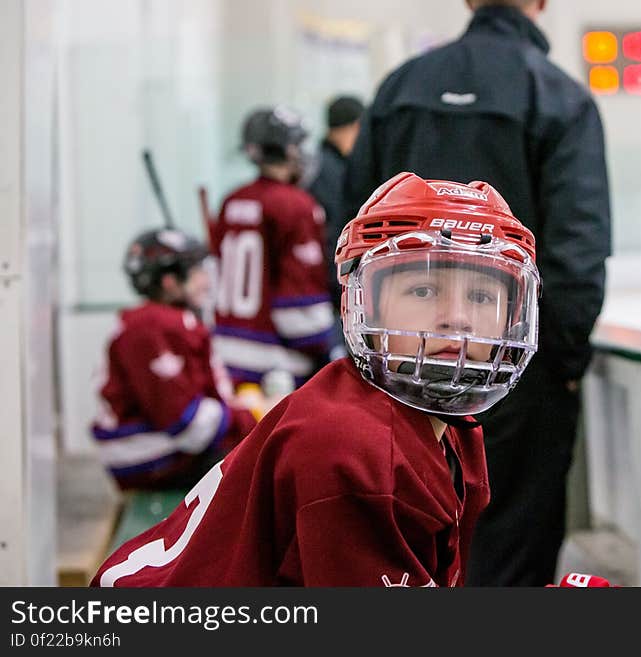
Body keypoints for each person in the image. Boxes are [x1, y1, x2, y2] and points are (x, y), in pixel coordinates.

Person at [91, 174, 542, 587]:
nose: (458, 319)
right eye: (423, 290)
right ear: (363, 303)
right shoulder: (354, 451)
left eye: (482, 295)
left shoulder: (456, 434)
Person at [343, 0, 612, 587]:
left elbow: (347, 233)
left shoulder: (399, 90)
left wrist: (369, 349)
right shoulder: (559, 97)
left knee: (400, 552)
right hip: (513, 369)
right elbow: (578, 253)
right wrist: (555, 365)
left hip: (397, 365)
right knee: (511, 552)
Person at [92, 228, 257, 490]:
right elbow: (186, 423)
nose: (206, 280)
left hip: (148, 450)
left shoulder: (162, 321)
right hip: (146, 457)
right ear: (169, 281)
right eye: (197, 271)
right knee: (262, 464)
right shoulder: (153, 326)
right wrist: (252, 417)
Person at [212, 106, 335, 389]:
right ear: (288, 150)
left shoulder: (232, 199)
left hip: (226, 356)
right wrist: (330, 344)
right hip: (275, 366)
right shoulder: (297, 204)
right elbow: (299, 310)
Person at [306, 94, 365, 358]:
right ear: (355, 127)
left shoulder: (320, 165)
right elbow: (333, 234)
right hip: (323, 289)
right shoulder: (331, 173)